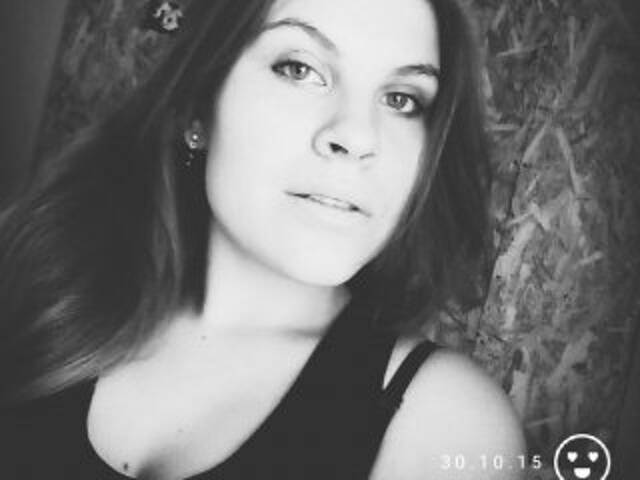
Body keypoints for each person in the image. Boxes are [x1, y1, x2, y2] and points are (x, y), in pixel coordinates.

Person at [0, 0, 526, 478]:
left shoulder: (446, 424)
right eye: (300, 69)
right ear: (198, 106)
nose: (358, 136)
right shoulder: (33, 278)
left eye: (401, 99)